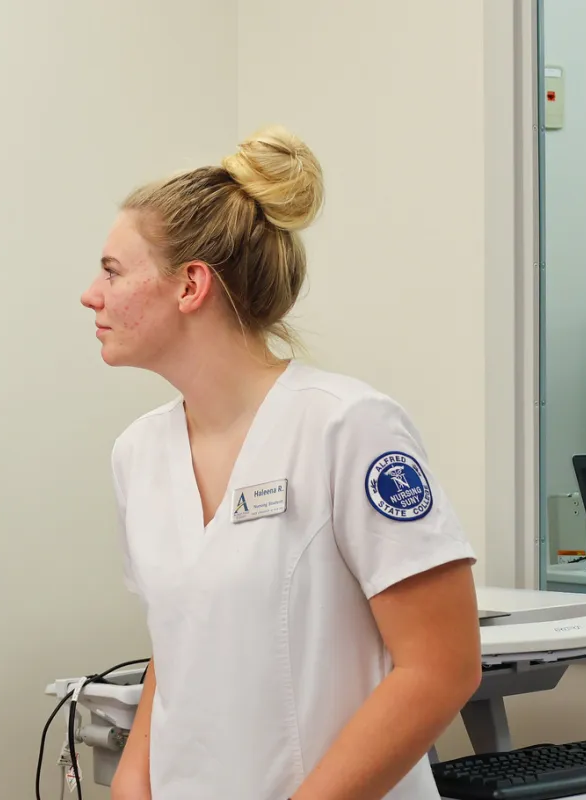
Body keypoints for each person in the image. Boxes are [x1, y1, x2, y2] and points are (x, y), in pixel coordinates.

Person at [79, 126, 481, 800]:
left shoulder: (348, 428)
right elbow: (177, 647)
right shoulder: (138, 454)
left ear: (190, 286)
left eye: (113, 271)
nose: (91, 294)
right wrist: (132, 783)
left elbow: (442, 667)